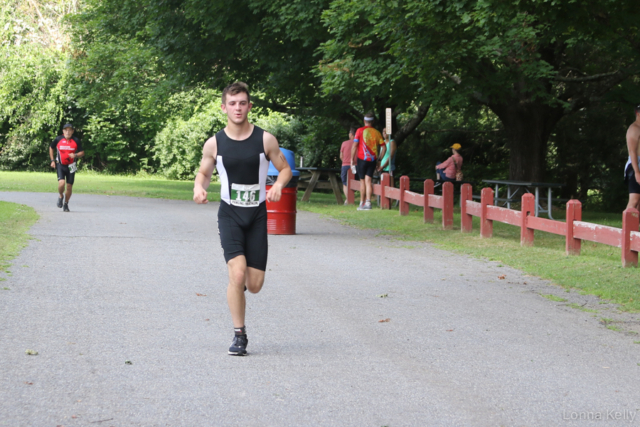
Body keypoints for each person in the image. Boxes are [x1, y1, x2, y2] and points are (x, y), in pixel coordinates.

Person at [193, 82, 292, 356]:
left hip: (257, 214)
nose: (238, 108)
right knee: (237, 275)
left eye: (243, 103)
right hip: (230, 214)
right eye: (233, 103)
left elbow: (285, 170)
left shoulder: (265, 140)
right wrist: (198, 187)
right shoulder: (215, 143)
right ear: (224, 107)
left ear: (249, 106)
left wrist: (278, 185)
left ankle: (240, 290)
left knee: (254, 285)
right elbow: (203, 172)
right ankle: (239, 335)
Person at [350, 113, 384, 210]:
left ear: (364, 121)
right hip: (372, 160)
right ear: (373, 121)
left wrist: (352, 160)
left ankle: (361, 203)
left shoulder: (360, 131)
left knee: (362, 181)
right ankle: (368, 202)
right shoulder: (377, 132)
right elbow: (384, 147)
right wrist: (379, 160)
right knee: (368, 181)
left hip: (362, 159)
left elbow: (354, 146)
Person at [49, 123, 84, 212]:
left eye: (69, 130)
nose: (67, 132)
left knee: (69, 186)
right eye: (66, 130)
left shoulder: (76, 140)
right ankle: (61, 195)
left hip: (71, 166)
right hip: (60, 165)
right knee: (61, 183)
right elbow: (51, 147)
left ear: (72, 131)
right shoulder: (58, 139)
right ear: (63, 131)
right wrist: (52, 160)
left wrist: (75, 155)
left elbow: (82, 152)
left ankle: (66, 203)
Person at [625, 104, 640, 210]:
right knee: (634, 200)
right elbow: (632, 151)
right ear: (637, 113)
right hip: (636, 165)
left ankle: (635, 226)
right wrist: (637, 172)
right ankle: (626, 226)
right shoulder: (634, 128)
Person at [339, 127, 357, 204]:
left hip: (345, 165)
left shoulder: (344, 143)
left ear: (351, 134)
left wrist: (344, 161)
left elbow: (341, 156)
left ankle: (348, 200)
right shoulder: (358, 144)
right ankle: (349, 200)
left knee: (345, 183)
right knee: (354, 183)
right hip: (355, 165)